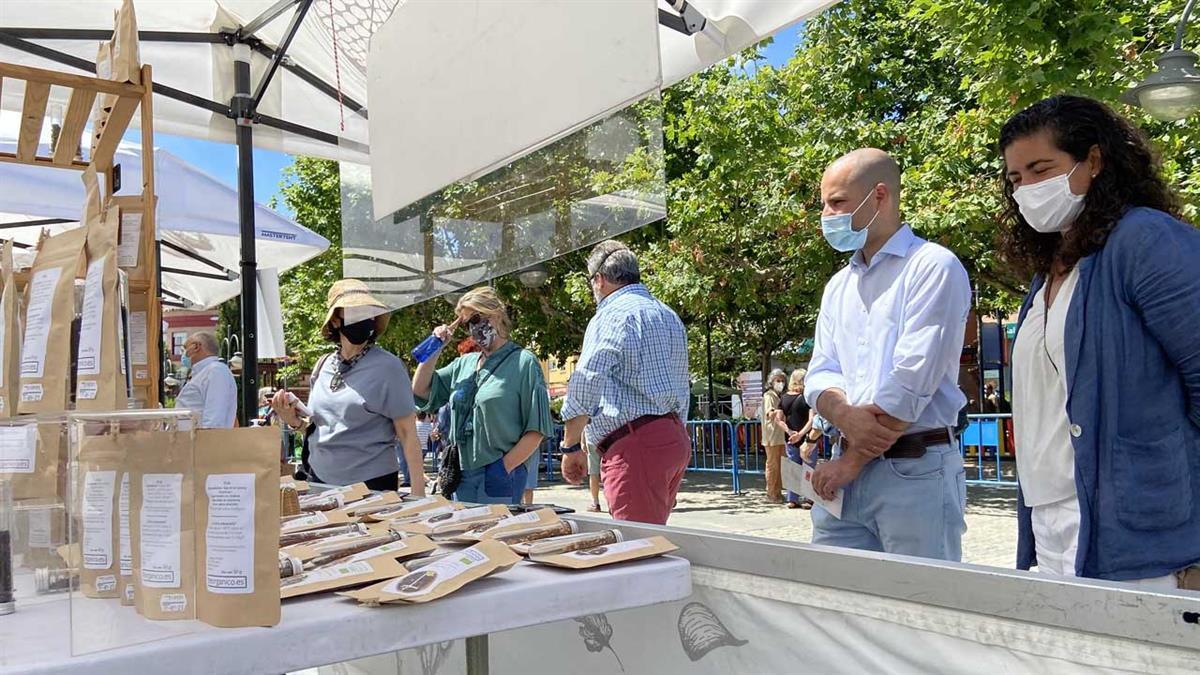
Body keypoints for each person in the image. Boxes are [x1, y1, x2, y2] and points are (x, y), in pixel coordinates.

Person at [1000, 95, 1200, 587]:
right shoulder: (1049, 271)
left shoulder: (1145, 240)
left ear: (1093, 160)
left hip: (1144, 535)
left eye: (1040, 168)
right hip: (1053, 524)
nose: (1026, 188)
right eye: (1015, 179)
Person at [806, 148, 971, 561]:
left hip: (914, 471)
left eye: (837, 202)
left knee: (921, 607)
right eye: (823, 204)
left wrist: (854, 459)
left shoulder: (932, 267)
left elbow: (910, 380)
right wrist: (844, 417)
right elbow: (819, 374)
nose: (826, 214)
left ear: (879, 196)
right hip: (842, 471)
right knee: (837, 607)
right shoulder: (838, 286)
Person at [559, 240, 691, 525]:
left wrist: (570, 447)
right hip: (671, 435)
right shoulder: (667, 314)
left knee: (635, 549)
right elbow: (682, 384)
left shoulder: (611, 314)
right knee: (650, 538)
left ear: (599, 280)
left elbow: (586, 379)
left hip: (635, 445)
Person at [270, 279, 424, 494]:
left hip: (371, 486)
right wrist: (292, 420)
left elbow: (408, 434)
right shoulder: (322, 365)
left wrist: (419, 497)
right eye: (355, 312)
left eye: (368, 313)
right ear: (335, 321)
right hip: (319, 481)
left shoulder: (389, 367)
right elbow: (321, 427)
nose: (364, 319)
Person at [412, 287, 554, 505]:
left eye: (476, 318)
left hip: (499, 473)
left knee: (494, 537)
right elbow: (420, 391)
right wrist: (435, 347)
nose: (474, 328)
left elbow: (536, 430)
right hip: (461, 474)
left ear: (496, 313)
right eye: (468, 323)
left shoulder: (524, 363)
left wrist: (503, 468)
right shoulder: (464, 364)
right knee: (463, 536)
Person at [174, 331, 237, 429]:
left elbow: (214, 420)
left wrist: (207, 441)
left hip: (201, 442)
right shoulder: (203, 373)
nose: (184, 354)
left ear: (196, 347)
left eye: (185, 349)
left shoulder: (215, 371)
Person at [775, 368, 816, 509]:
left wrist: (790, 431)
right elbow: (812, 420)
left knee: (793, 468)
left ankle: (792, 499)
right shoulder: (808, 397)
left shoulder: (784, 398)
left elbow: (778, 419)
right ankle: (809, 499)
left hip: (790, 439)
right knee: (809, 467)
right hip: (808, 439)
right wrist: (801, 433)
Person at [760, 369, 788, 504]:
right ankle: (771, 493)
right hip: (772, 435)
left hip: (780, 435)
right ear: (771, 382)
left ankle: (778, 492)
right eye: (778, 380)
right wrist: (783, 410)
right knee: (773, 465)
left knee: (780, 465)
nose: (780, 383)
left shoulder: (779, 396)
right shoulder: (769, 396)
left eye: (782, 380)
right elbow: (769, 413)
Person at [585, 434, 604, 512]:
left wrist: (583, 441)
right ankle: (612, 502)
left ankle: (595, 503)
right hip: (611, 438)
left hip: (592, 439)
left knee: (593, 472)